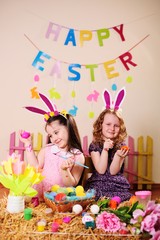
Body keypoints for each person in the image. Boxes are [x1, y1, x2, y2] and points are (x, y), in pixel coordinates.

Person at [19, 93, 85, 199]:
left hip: (61, 198)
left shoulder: (78, 156)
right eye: (50, 135)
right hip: (42, 195)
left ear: (69, 128)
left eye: (56, 132)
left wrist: (65, 170)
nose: (54, 138)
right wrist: (27, 144)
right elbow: (35, 166)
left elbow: (72, 184)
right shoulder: (48, 149)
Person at [84, 88, 133, 202]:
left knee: (122, 196)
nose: (112, 128)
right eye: (108, 124)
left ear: (120, 128)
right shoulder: (95, 145)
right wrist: (105, 150)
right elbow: (101, 170)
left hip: (116, 183)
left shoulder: (121, 145)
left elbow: (113, 172)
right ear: (101, 125)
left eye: (116, 125)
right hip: (99, 182)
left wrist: (118, 156)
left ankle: (113, 204)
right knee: (95, 194)